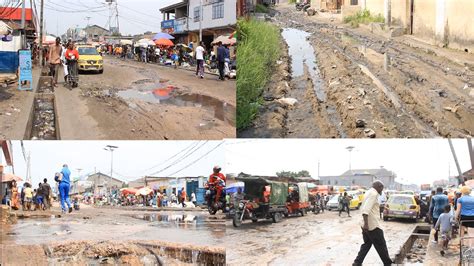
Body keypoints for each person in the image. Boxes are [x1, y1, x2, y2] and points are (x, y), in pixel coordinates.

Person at [354, 181, 392, 265]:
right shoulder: (374, 194)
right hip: (372, 225)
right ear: (379, 186)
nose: (382, 190)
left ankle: (357, 263)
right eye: (382, 187)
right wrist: (366, 224)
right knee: (381, 245)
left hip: (365, 224)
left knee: (367, 244)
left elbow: (368, 207)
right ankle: (388, 263)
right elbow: (365, 210)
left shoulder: (369, 192)